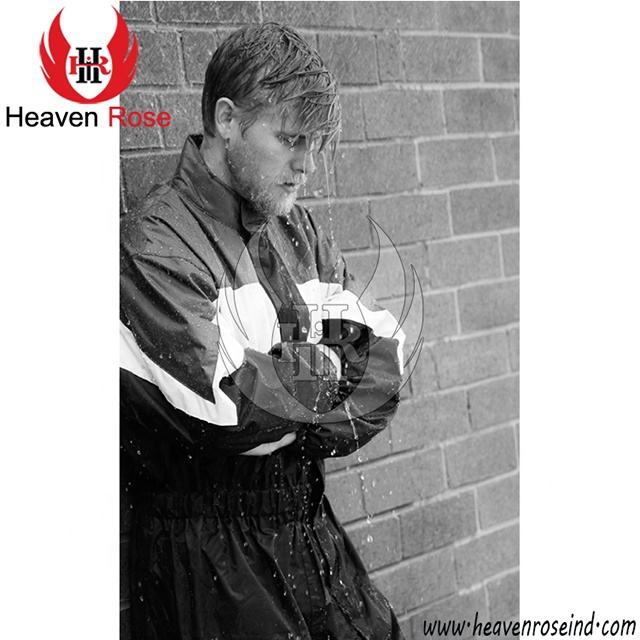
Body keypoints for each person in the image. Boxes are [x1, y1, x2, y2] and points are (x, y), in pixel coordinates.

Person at [121, 22, 406, 640]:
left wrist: (288, 394)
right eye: (290, 139)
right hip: (211, 559)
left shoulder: (298, 231)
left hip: (306, 524)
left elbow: (382, 370)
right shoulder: (156, 245)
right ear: (227, 120)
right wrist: (325, 376)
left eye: (315, 143)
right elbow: (225, 412)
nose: (307, 165)